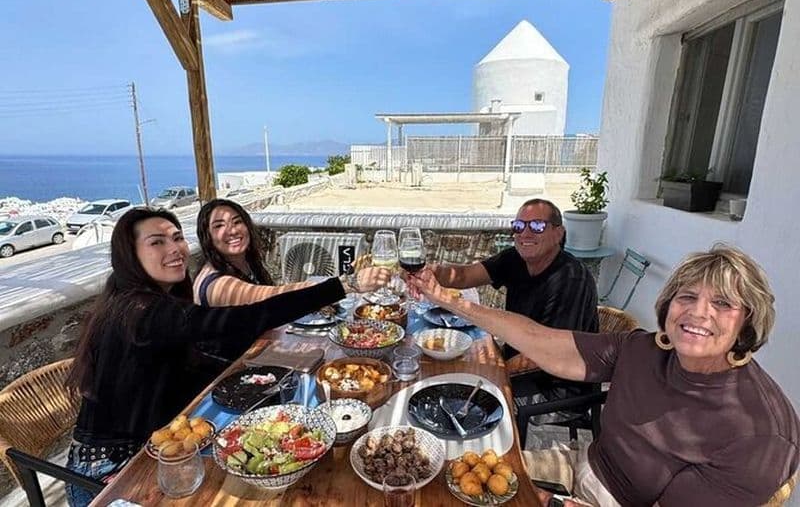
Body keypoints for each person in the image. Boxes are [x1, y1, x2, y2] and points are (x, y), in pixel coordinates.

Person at [408, 245, 800, 506]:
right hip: (581, 465)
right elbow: (544, 341)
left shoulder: (758, 433)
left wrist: (551, 503)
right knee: (437, 477)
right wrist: (448, 300)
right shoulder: (646, 348)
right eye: (687, 297)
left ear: (749, 320)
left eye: (722, 303)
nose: (699, 314)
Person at [63, 208, 357, 506]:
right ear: (130, 255)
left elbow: (191, 363)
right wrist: (340, 287)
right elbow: (243, 318)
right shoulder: (141, 312)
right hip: (109, 474)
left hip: (159, 450)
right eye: (157, 242)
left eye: (177, 238)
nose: (174, 248)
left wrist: (257, 373)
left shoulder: (143, 301)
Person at [427, 198, 598, 423]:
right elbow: (465, 275)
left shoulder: (571, 279)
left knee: (474, 405)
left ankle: (497, 453)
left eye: (537, 226)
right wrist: (428, 272)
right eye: (518, 226)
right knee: (448, 375)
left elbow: (545, 353)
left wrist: (491, 372)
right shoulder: (515, 259)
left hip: (558, 387)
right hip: (521, 367)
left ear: (559, 233)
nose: (525, 233)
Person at [193, 199, 390, 307]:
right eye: (219, 226)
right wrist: (349, 283)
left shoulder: (245, 263)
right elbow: (267, 296)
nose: (233, 230)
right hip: (230, 369)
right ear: (207, 237)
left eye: (237, 222)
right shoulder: (216, 284)